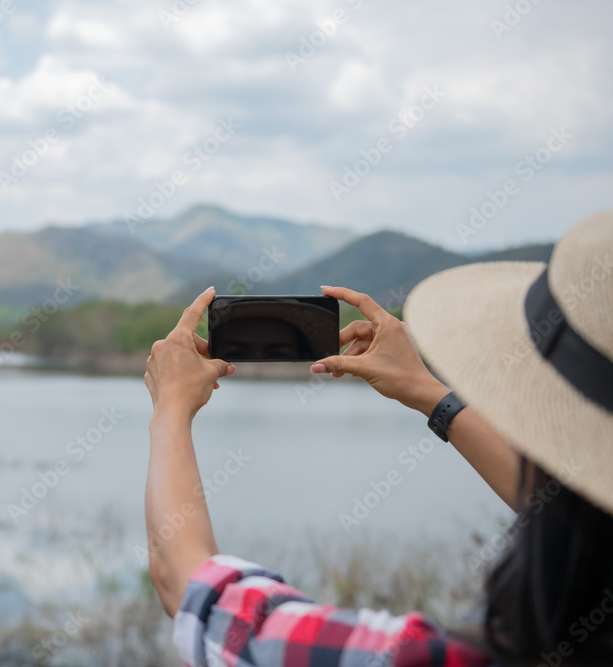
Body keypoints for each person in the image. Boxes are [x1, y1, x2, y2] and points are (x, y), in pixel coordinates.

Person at [143, 211, 613, 666]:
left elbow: (190, 589)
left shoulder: (427, 659)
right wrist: (426, 391)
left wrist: (170, 409)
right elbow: (569, 498)